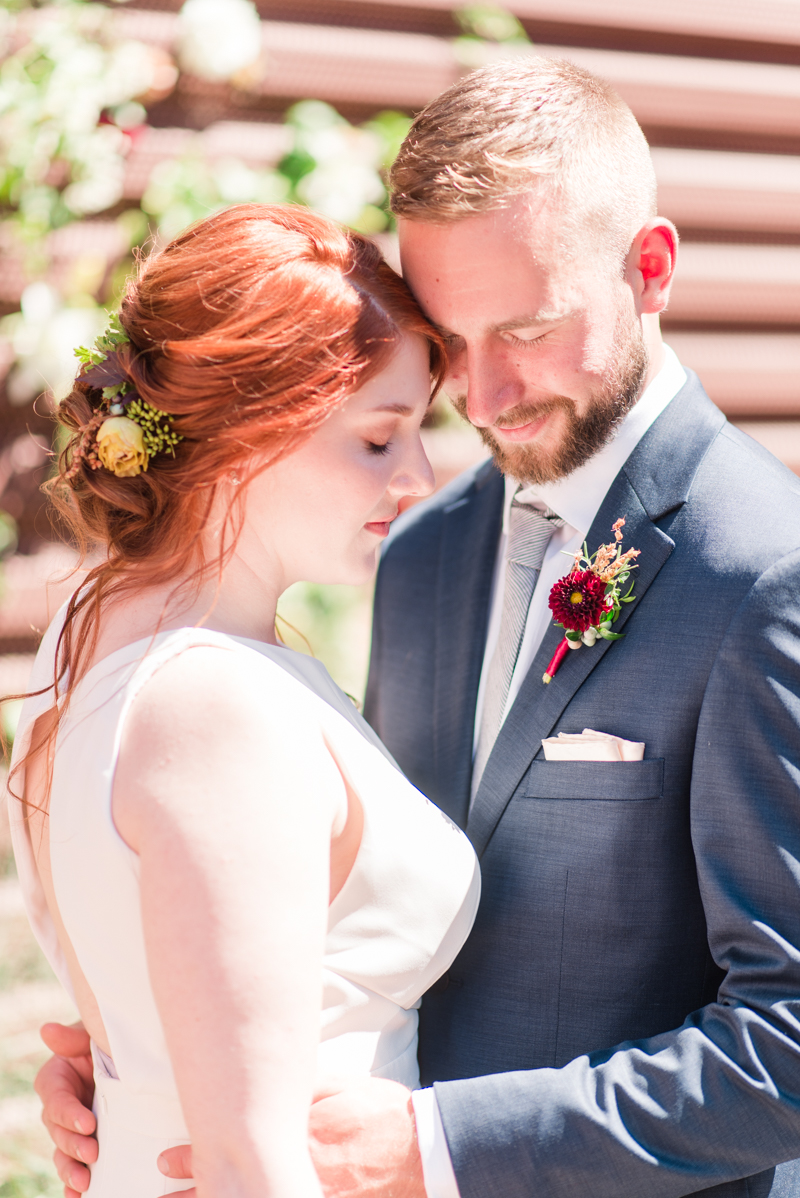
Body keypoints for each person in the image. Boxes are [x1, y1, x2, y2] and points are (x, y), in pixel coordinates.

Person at [36, 58, 800, 1198]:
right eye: (450, 341)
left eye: (529, 331)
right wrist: (149, 1053)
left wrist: (438, 1148)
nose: (480, 401)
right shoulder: (426, 548)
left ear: (649, 269)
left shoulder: (766, 572)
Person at [7, 204, 481, 1198]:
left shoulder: (87, 637)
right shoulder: (216, 708)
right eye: (375, 438)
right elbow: (244, 1160)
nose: (417, 477)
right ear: (246, 434)